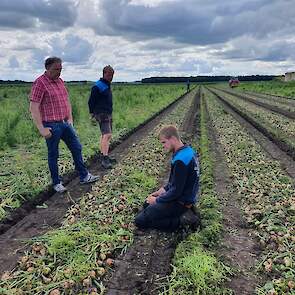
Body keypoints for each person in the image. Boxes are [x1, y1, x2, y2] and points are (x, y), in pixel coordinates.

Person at [30, 56, 99, 193]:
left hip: (64, 123)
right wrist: (41, 129)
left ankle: (84, 176)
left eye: (61, 69)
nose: (59, 72)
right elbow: (33, 107)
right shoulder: (40, 83)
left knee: (77, 147)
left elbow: (66, 100)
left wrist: (70, 119)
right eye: (56, 69)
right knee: (54, 154)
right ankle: (56, 183)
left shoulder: (60, 81)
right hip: (51, 125)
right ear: (47, 68)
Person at [135, 125, 200, 232]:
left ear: (173, 139)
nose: (163, 146)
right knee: (147, 204)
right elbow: (174, 182)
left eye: (164, 142)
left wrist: (157, 200)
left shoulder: (180, 161)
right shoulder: (187, 151)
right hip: (184, 197)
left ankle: (183, 221)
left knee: (140, 221)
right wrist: (163, 190)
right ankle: (175, 215)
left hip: (180, 202)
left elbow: (176, 192)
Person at [88, 65, 115, 169]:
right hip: (101, 113)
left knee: (106, 135)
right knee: (107, 135)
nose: (111, 77)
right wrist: (92, 113)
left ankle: (104, 154)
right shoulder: (98, 86)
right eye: (109, 75)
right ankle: (105, 159)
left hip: (107, 112)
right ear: (104, 74)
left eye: (112, 75)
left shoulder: (106, 84)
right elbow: (91, 101)